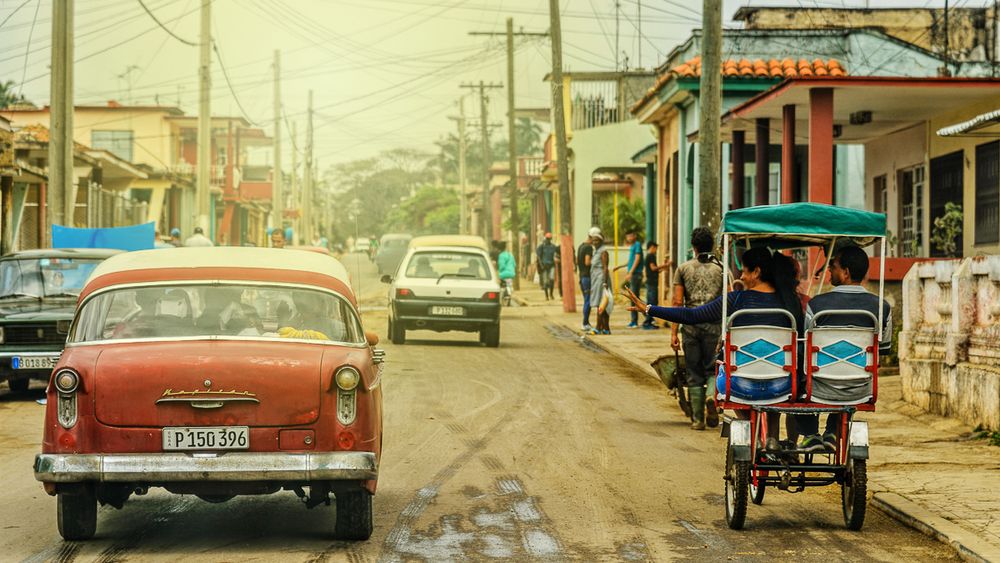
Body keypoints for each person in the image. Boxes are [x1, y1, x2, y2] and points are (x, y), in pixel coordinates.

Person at [625, 247, 803, 440]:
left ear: (757, 272)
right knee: (773, 388)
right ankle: (772, 439)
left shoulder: (735, 300)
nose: (741, 277)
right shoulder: (790, 303)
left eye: (744, 271)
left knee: (722, 377)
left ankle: (753, 431)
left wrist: (650, 309)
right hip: (782, 386)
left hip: (741, 385)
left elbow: (692, 315)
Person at [796, 245, 892, 453]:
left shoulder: (817, 304)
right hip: (860, 387)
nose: (829, 270)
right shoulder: (882, 307)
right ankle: (832, 430)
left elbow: (806, 345)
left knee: (797, 372)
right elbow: (883, 348)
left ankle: (811, 434)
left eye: (833, 266)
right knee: (850, 374)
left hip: (818, 387)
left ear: (846, 273)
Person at [670, 227, 724, 429]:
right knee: (712, 369)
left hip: (690, 326)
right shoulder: (721, 269)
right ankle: (711, 396)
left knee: (693, 372)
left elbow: (677, 302)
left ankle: (698, 420)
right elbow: (727, 301)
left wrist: (674, 332)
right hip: (714, 326)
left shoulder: (683, 269)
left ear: (693, 247)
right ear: (712, 246)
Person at [641, 241, 671, 329]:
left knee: (653, 302)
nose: (656, 250)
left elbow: (654, 270)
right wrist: (665, 265)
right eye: (655, 248)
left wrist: (663, 268)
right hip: (651, 283)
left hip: (652, 282)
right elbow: (653, 268)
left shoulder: (650, 256)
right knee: (651, 303)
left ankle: (650, 321)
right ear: (652, 247)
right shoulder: (650, 256)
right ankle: (647, 322)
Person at [589, 230, 611, 334]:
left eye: (597, 240)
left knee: (600, 304)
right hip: (596, 280)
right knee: (602, 304)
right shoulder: (596, 251)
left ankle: (598, 327)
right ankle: (605, 328)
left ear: (601, 241)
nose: (594, 242)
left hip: (601, 280)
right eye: (593, 240)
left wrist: (605, 282)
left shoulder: (603, 252)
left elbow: (605, 268)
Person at [621, 231, 644, 328]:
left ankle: (636, 321)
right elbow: (630, 261)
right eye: (627, 237)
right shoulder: (632, 247)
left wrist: (631, 272)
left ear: (635, 236)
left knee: (634, 298)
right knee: (635, 297)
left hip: (635, 274)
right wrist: (619, 266)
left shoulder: (637, 245)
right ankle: (646, 316)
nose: (629, 238)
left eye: (630, 236)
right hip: (633, 274)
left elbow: (637, 259)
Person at [577, 229, 597, 332]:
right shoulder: (589, 248)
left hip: (581, 276)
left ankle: (586, 322)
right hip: (587, 277)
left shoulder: (581, 246)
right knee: (588, 301)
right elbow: (587, 262)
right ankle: (585, 323)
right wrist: (597, 260)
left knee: (586, 300)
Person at [536, 233, 558, 300]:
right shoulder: (541, 247)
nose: (548, 240)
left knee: (551, 279)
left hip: (551, 265)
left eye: (549, 239)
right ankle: (546, 296)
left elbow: (556, 254)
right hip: (544, 266)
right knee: (545, 282)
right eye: (547, 239)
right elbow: (539, 257)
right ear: (545, 238)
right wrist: (541, 265)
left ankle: (551, 294)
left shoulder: (553, 247)